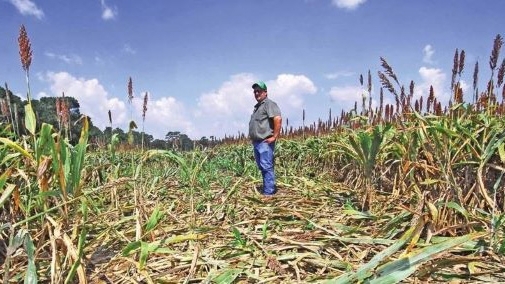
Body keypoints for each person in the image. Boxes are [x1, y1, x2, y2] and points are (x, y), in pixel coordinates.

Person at [249, 81, 282, 195]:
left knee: (266, 166)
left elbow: (277, 119)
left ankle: (269, 193)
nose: (257, 93)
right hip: (257, 142)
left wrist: (275, 136)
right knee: (262, 166)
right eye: (255, 91)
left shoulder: (269, 104)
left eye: (259, 91)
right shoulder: (258, 107)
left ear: (265, 92)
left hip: (265, 142)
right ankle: (266, 189)